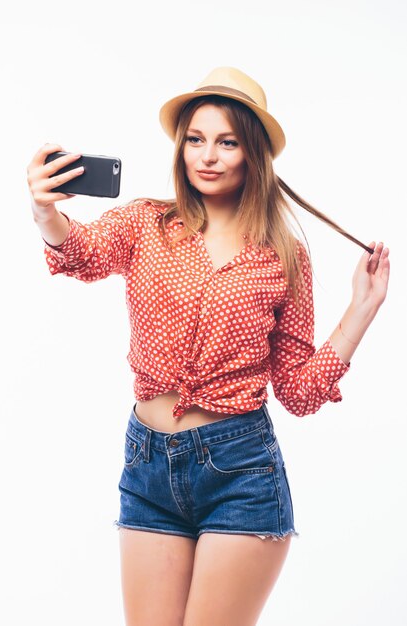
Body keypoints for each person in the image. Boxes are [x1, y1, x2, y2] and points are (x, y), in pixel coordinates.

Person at [27, 67, 390, 626]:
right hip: (147, 468)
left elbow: (297, 391)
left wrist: (361, 309)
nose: (208, 156)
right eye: (196, 139)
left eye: (227, 142)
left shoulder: (283, 254)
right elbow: (80, 252)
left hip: (240, 473)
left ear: (253, 155)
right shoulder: (146, 224)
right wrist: (46, 212)